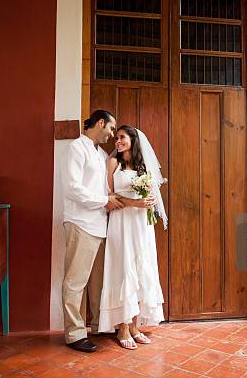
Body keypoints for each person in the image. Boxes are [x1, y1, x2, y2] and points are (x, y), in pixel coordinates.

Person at [99, 125, 167, 350]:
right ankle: (122, 328)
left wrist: (151, 200)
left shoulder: (142, 166)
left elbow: (151, 193)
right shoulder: (113, 164)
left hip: (141, 224)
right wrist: (134, 203)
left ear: (133, 141)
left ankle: (135, 325)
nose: (117, 142)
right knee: (123, 267)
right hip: (121, 222)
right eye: (116, 138)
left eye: (122, 138)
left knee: (141, 267)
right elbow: (108, 197)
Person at [61, 110, 124, 353]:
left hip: (100, 225)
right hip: (80, 222)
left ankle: (99, 325)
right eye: (110, 128)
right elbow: (73, 188)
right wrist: (104, 201)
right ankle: (74, 334)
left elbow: (103, 188)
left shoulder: (99, 154)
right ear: (100, 123)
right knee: (75, 282)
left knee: (98, 281)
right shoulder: (76, 148)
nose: (111, 134)